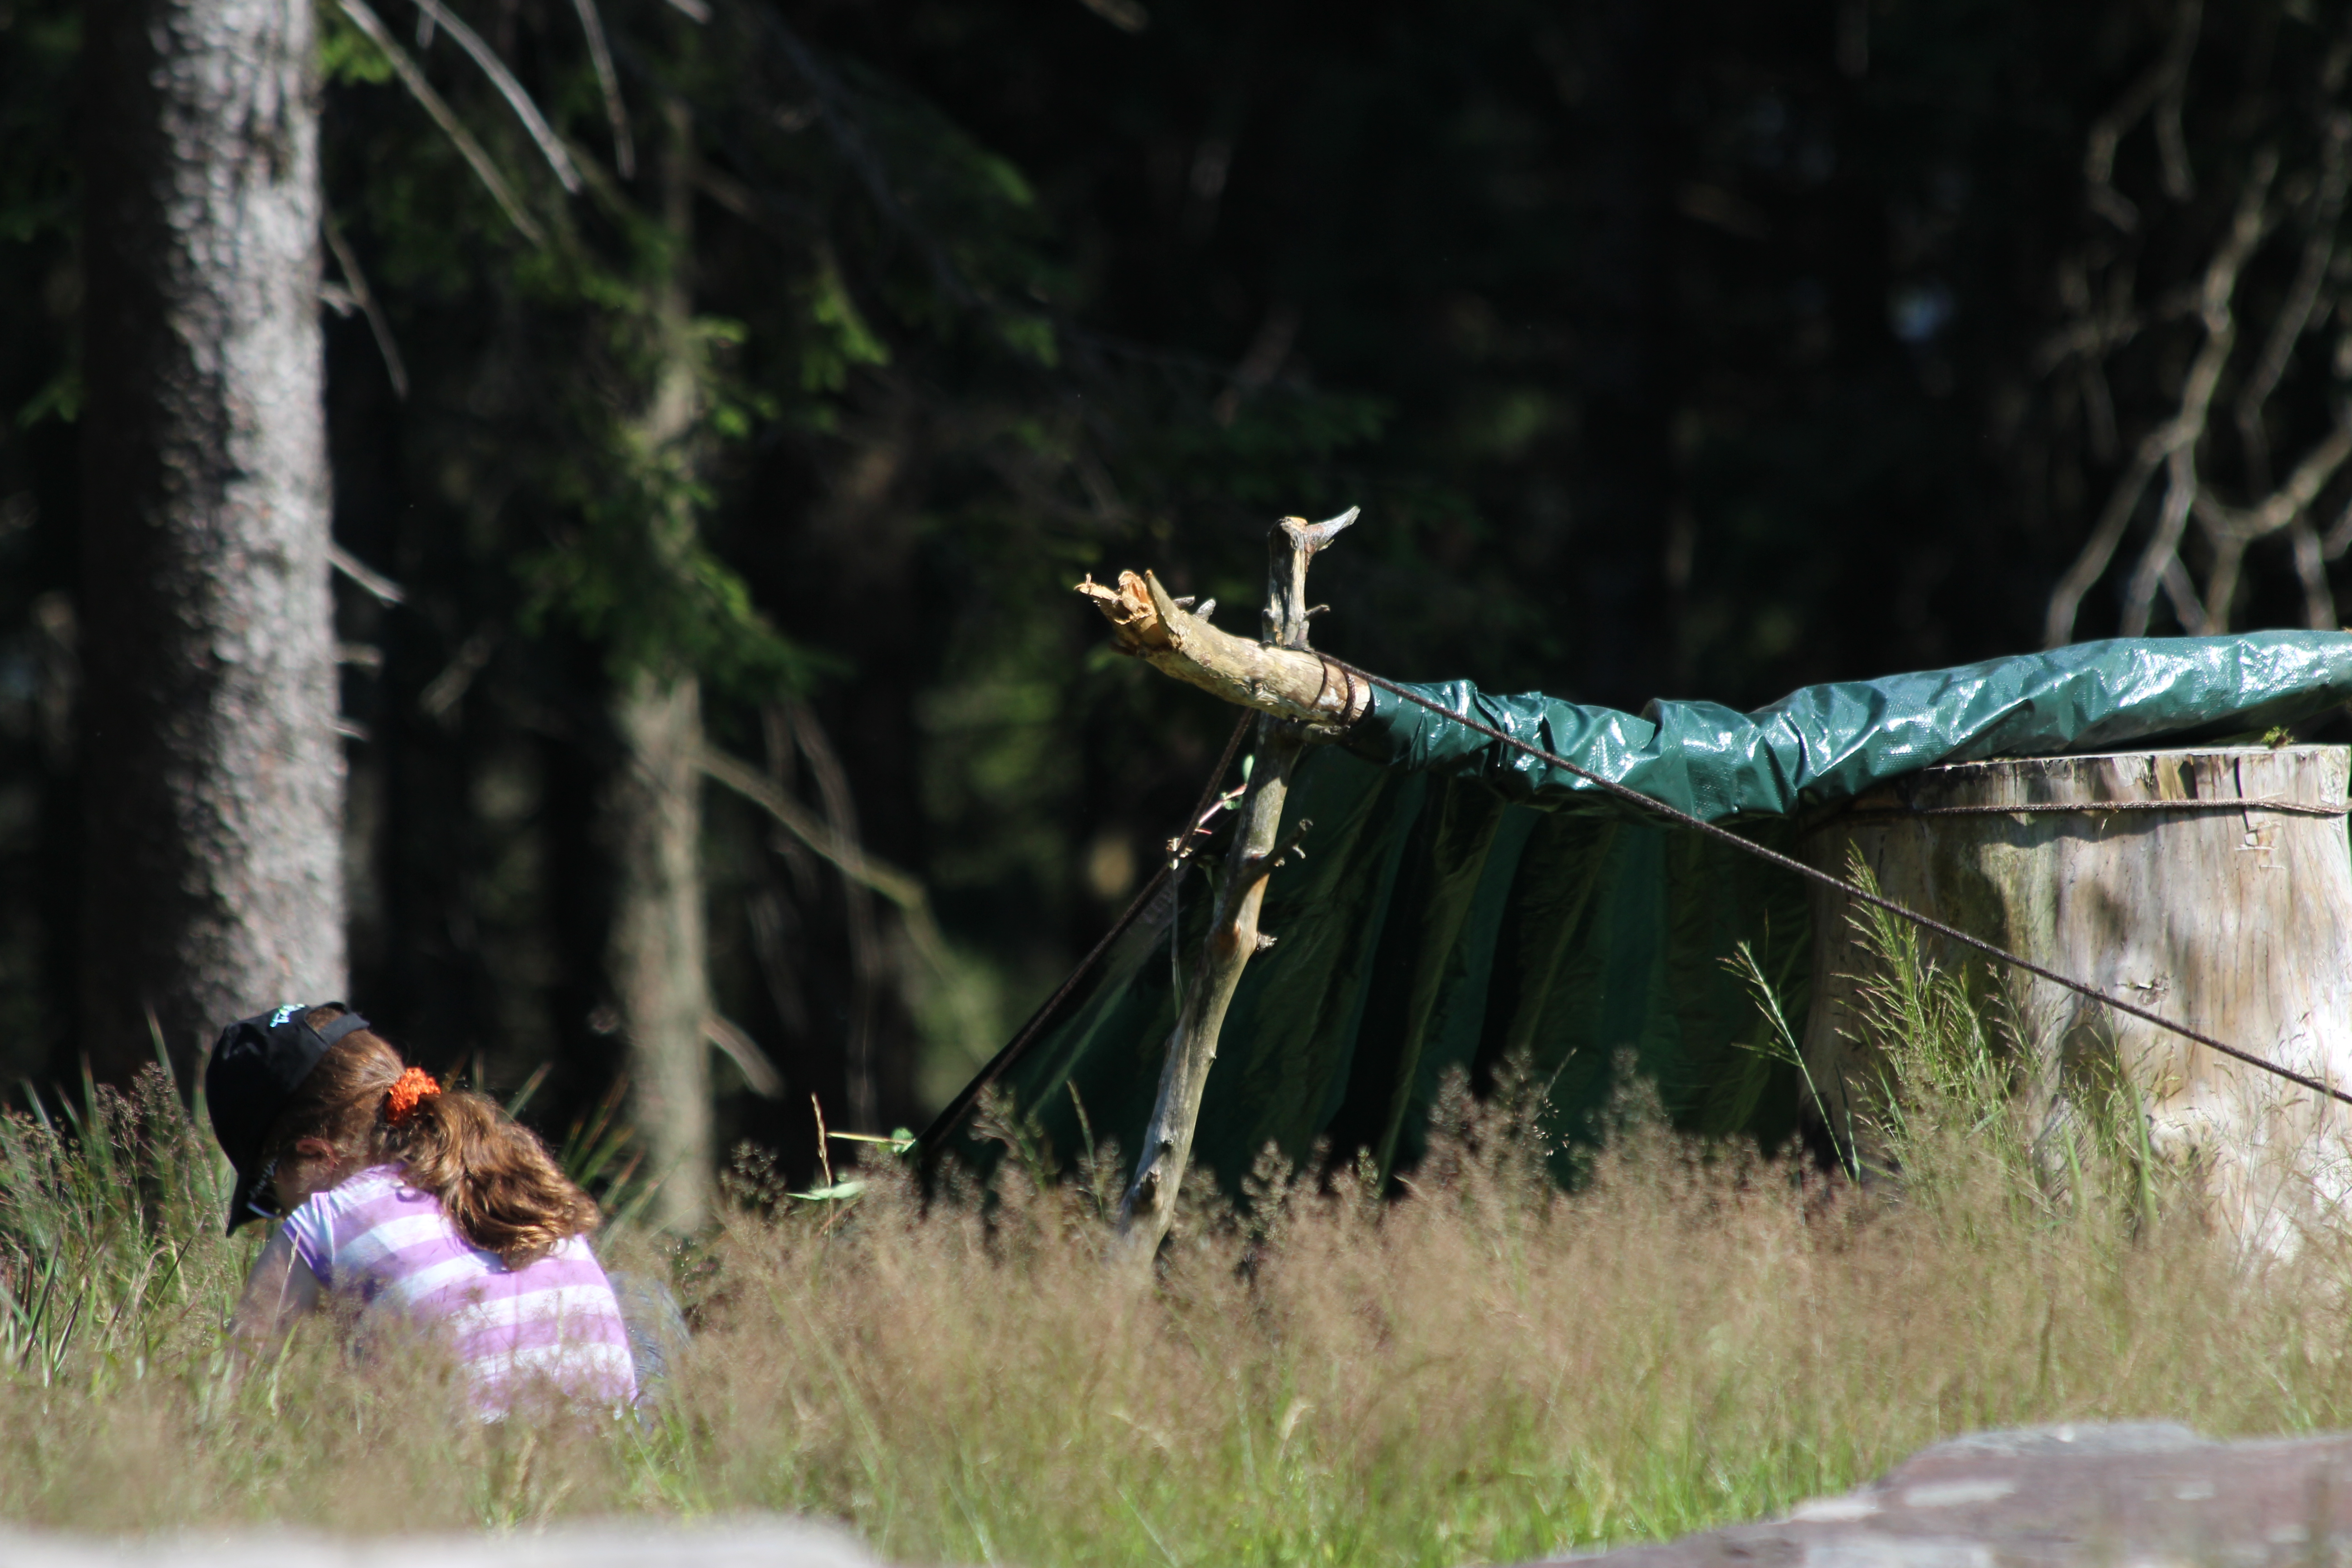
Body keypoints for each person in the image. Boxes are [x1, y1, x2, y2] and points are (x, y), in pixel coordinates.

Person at [206, 1002, 638, 1412]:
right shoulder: (508, 1177)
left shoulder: (321, 1220)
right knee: (638, 1296)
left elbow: (228, 1397)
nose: (280, 1215)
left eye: (268, 1197)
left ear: (316, 1154)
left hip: (462, 1458)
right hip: (606, 1449)